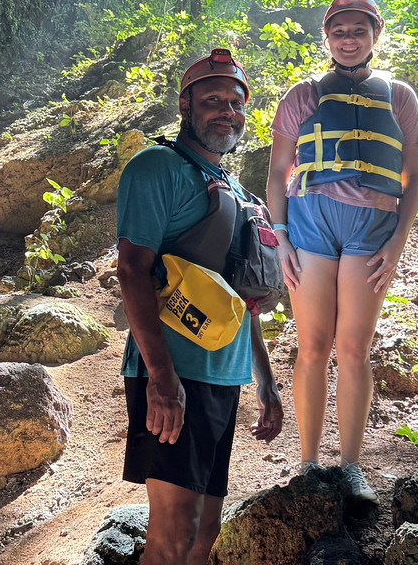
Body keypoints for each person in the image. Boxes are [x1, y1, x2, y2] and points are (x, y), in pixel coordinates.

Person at [117, 48, 284, 565]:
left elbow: (242, 302)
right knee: (175, 534)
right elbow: (131, 270)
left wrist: (266, 382)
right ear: (185, 105)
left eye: (235, 102)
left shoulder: (235, 189)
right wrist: (162, 380)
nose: (226, 111)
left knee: (204, 532)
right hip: (176, 374)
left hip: (222, 376)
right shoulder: (156, 168)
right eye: (213, 100)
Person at [266, 0, 418, 504]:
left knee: (354, 349)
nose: (349, 39)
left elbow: (414, 175)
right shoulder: (302, 95)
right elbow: (276, 173)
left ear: (375, 34)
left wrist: (399, 243)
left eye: (359, 30)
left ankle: (351, 468)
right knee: (313, 346)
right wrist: (282, 237)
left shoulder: (399, 96)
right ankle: (310, 465)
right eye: (339, 31)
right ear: (326, 38)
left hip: (372, 231)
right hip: (311, 227)